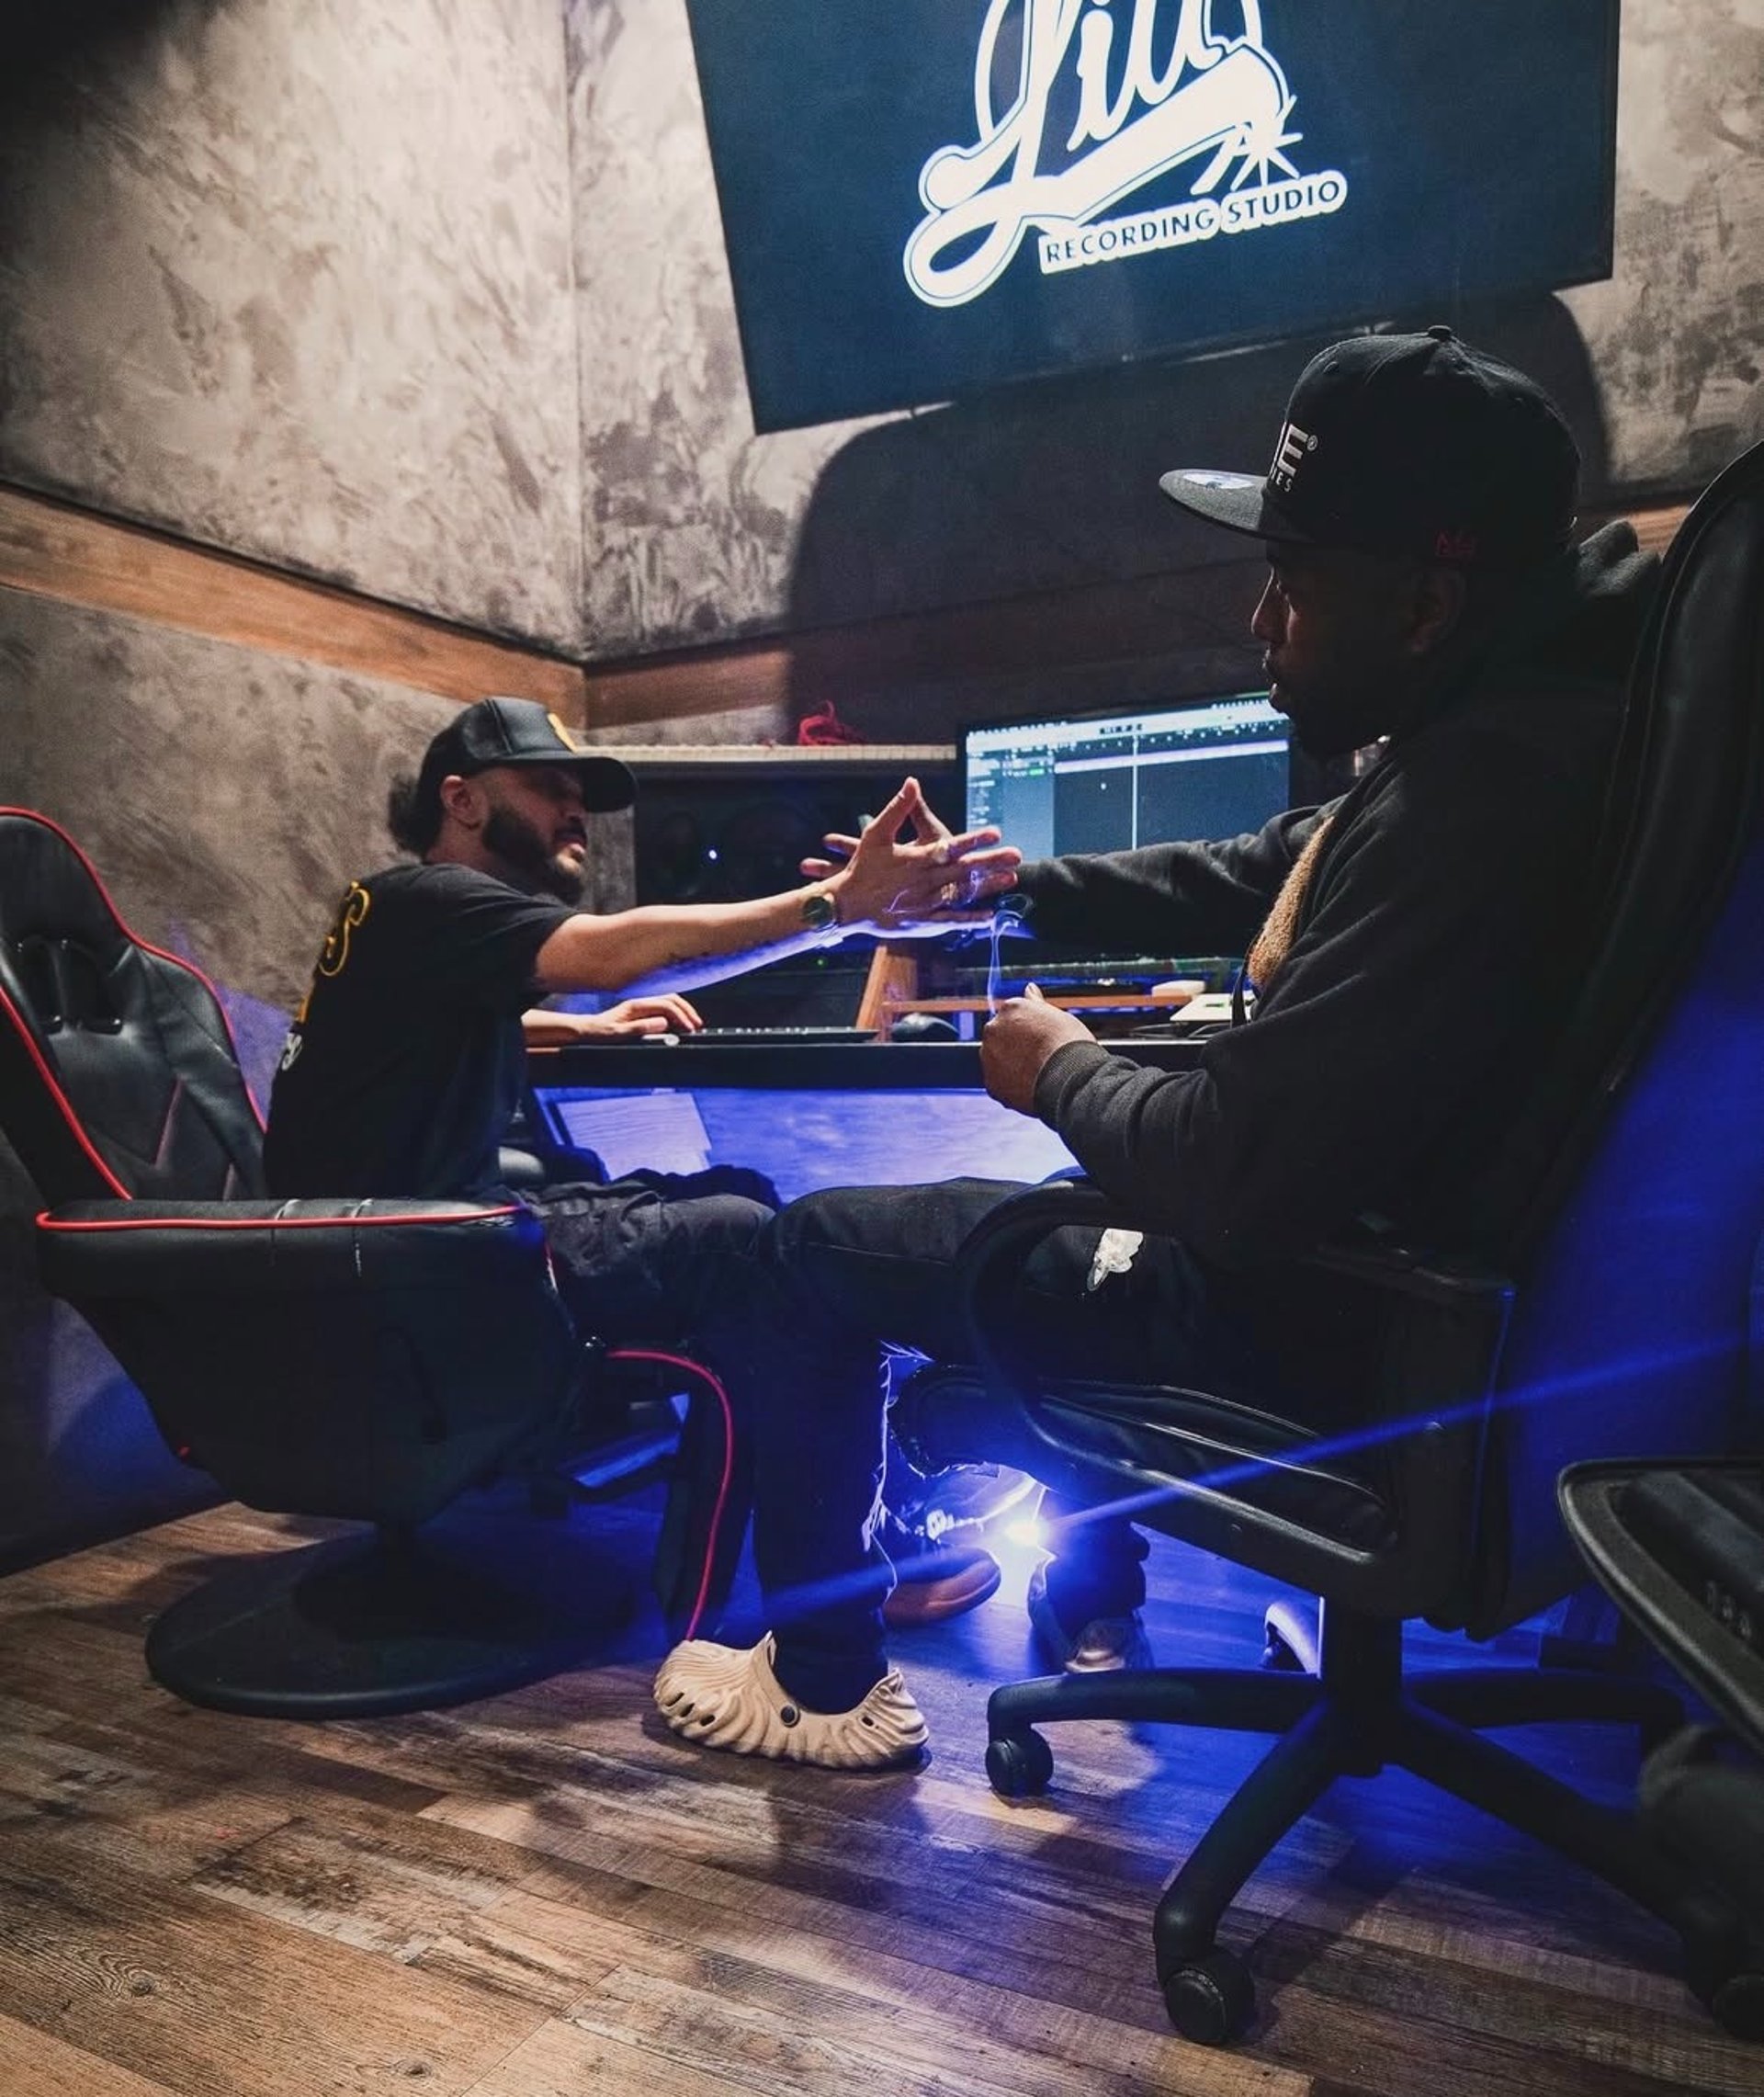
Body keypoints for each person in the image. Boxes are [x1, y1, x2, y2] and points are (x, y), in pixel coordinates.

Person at [651, 325, 1662, 1770]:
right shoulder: (1542, 730)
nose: (1262, 620)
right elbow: (1269, 864)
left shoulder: (1474, 803)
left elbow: (1230, 1171)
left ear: (1427, 604)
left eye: (1296, 584)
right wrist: (1015, 890)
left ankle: (821, 1686)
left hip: (1313, 1323)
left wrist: (1056, 1065)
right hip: (1446, 1320)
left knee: (800, 1245)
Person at [263, 697, 1020, 1614]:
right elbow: (612, 954)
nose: (573, 809)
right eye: (547, 787)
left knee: (732, 1193)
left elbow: (418, 1026)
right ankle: (858, 1563)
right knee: (750, 1235)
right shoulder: (436, 898)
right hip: (423, 1271)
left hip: (372, 1265)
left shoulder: (395, 912)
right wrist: (838, 907)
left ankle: (824, 1509)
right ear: (460, 799)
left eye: (580, 793)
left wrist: (579, 1022)